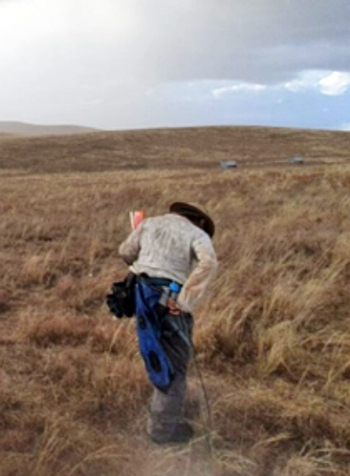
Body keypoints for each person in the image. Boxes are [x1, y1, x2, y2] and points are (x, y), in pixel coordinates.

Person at [118, 202, 218, 444]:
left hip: (143, 298)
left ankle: (163, 418)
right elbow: (209, 263)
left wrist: (144, 262)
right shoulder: (197, 233)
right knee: (172, 366)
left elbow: (125, 252)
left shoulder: (149, 223)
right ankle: (162, 432)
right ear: (200, 221)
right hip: (168, 302)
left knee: (156, 354)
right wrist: (184, 301)